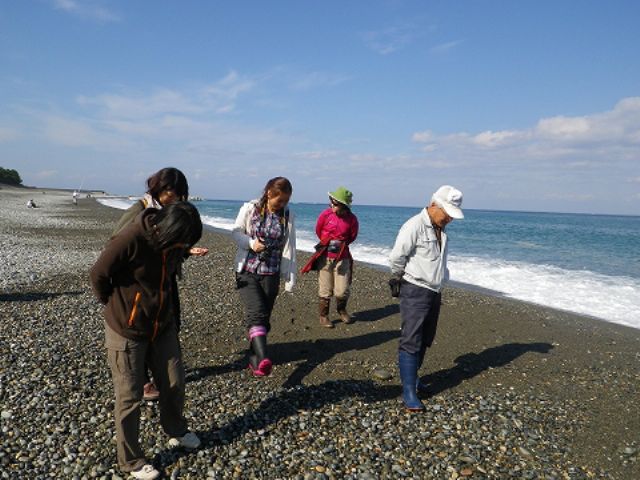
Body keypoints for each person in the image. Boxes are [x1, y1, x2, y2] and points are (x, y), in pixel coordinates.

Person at [89, 202, 203, 480]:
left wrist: (185, 250)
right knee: (130, 396)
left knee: (174, 381)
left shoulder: (174, 243)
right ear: (169, 231)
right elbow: (98, 275)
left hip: (162, 325)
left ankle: (176, 429)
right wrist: (119, 308)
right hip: (127, 329)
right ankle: (130, 460)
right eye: (183, 241)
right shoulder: (131, 238)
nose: (183, 246)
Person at [111, 167, 208, 401]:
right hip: (139, 286)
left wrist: (185, 251)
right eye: (171, 194)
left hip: (166, 280)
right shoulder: (140, 212)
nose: (175, 199)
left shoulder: (167, 212)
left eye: (179, 195)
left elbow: (167, 247)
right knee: (141, 329)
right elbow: (116, 247)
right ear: (159, 189)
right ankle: (142, 382)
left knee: (171, 324)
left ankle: (160, 372)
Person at [388, 185, 464, 412]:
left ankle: (414, 379)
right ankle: (408, 390)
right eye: (447, 212)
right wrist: (400, 280)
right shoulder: (414, 225)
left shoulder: (441, 230)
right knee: (411, 338)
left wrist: (442, 279)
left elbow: (439, 262)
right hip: (415, 288)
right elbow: (396, 257)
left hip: (434, 290)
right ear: (434, 205)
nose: (449, 218)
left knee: (426, 337)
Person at [232, 177, 296, 377]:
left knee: (263, 317)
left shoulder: (287, 215)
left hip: (271, 272)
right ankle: (264, 357)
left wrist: (290, 277)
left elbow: (289, 246)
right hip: (247, 271)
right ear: (269, 193)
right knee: (256, 313)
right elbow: (235, 233)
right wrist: (251, 243)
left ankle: (254, 359)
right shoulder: (250, 208)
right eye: (280, 200)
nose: (282, 204)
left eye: (286, 200)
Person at [302, 187, 359, 328]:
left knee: (342, 289)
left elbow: (352, 236)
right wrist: (327, 242)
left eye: (334, 203)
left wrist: (340, 245)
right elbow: (318, 230)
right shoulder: (325, 215)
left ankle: (341, 310)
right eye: (331, 203)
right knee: (325, 288)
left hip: (343, 257)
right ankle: (324, 315)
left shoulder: (352, 219)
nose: (331, 205)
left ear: (343, 205)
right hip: (325, 256)